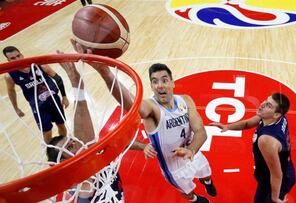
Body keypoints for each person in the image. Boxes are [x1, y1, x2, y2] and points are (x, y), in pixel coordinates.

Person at [71, 40, 217, 203]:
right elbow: (131, 103)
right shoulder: (151, 108)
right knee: (187, 192)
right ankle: (195, 198)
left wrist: (191, 150)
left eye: (164, 80)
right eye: (155, 81)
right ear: (152, 87)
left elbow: (201, 132)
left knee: (206, 173)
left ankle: (208, 182)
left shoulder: (185, 101)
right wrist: (106, 73)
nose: (160, 85)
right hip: (173, 169)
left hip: (193, 154)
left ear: (172, 82)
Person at [46, 53, 145, 203]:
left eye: (71, 141)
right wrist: (76, 84)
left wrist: (146, 147)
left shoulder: (96, 160)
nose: (74, 144)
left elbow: (117, 144)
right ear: (62, 163)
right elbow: (84, 143)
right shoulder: (83, 188)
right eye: (68, 147)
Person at [210, 93, 296, 203]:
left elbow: (277, 175)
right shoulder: (274, 117)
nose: (262, 104)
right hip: (272, 172)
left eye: (269, 105)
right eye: (265, 100)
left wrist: (275, 198)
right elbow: (247, 123)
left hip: (278, 180)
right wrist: (227, 127)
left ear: (276, 114)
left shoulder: (266, 140)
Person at [3, 46, 69, 143]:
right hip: (38, 107)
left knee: (61, 125)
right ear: (8, 60)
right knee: (47, 132)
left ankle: (65, 146)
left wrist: (64, 96)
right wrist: (16, 108)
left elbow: (57, 78)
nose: (17, 59)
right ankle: (51, 154)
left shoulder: (39, 65)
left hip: (53, 100)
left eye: (18, 56)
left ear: (22, 54)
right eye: (13, 58)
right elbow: (11, 91)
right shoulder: (9, 76)